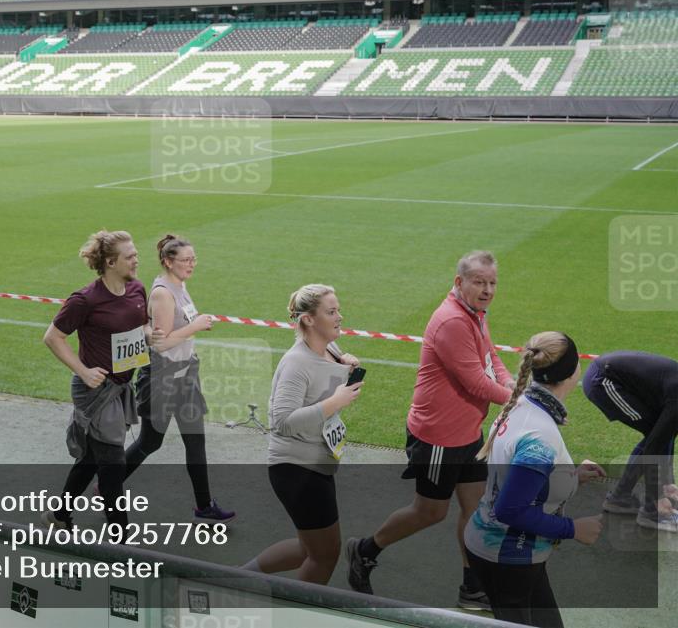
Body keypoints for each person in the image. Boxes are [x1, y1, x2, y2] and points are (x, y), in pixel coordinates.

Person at [346, 250, 514, 609]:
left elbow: (489, 358)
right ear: (459, 282)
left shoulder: (475, 312)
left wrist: (509, 382)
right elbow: (474, 382)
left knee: (477, 507)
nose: (487, 290)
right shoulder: (452, 321)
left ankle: (472, 585)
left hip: (468, 432)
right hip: (439, 437)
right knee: (430, 512)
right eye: (479, 282)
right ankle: (363, 550)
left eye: (492, 283)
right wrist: (516, 401)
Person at [465, 332, 605, 628]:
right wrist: (573, 529)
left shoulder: (521, 403)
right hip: (508, 557)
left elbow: (519, 479)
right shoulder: (539, 435)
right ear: (572, 371)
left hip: (503, 550)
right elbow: (510, 509)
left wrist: (572, 476)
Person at [242, 284, 363, 584]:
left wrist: (344, 362)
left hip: (315, 463)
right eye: (331, 312)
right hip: (297, 470)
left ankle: (236, 578)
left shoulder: (330, 349)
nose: (340, 317)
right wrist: (334, 402)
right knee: (324, 554)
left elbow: (324, 370)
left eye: (338, 310)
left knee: (306, 548)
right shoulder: (296, 363)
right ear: (308, 319)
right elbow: (282, 421)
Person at [42, 230, 149, 532]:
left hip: (120, 389)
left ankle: (59, 516)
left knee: (91, 457)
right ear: (111, 262)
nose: (136, 259)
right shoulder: (85, 300)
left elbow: (141, 327)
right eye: (130, 256)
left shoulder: (137, 289)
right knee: (112, 464)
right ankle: (121, 538)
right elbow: (53, 337)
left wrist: (152, 335)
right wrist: (83, 371)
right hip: (95, 390)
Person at [124, 234, 234, 523]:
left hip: (186, 374)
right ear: (167, 262)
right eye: (186, 260)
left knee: (196, 442)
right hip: (163, 377)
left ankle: (204, 506)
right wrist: (195, 326)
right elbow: (160, 344)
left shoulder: (179, 285)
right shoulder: (163, 293)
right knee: (150, 443)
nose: (192, 264)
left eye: (193, 258)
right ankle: (108, 482)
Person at [583, 351, 678, 532]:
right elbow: (654, 447)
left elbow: (667, 435)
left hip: (612, 374)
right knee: (654, 436)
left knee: (659, 432)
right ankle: (651, 512)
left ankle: (620, 497)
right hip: (604, 380)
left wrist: (668, 484)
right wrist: (658, 495)